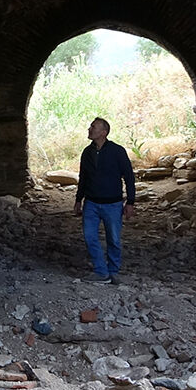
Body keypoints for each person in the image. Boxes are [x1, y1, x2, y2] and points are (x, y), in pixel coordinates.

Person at [74, 117, 136, 285]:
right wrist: (79, 199)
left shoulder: (117, 151)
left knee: (114, 239)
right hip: (91, 203)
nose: (89, 129)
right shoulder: (87, 152)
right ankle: (101, 271)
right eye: (90, 126)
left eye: (93, 127)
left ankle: (113, 271)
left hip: (113, 204)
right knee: (89, 237)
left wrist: (130, 202)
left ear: (104, 132)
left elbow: (129, 176)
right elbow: (83, 177)